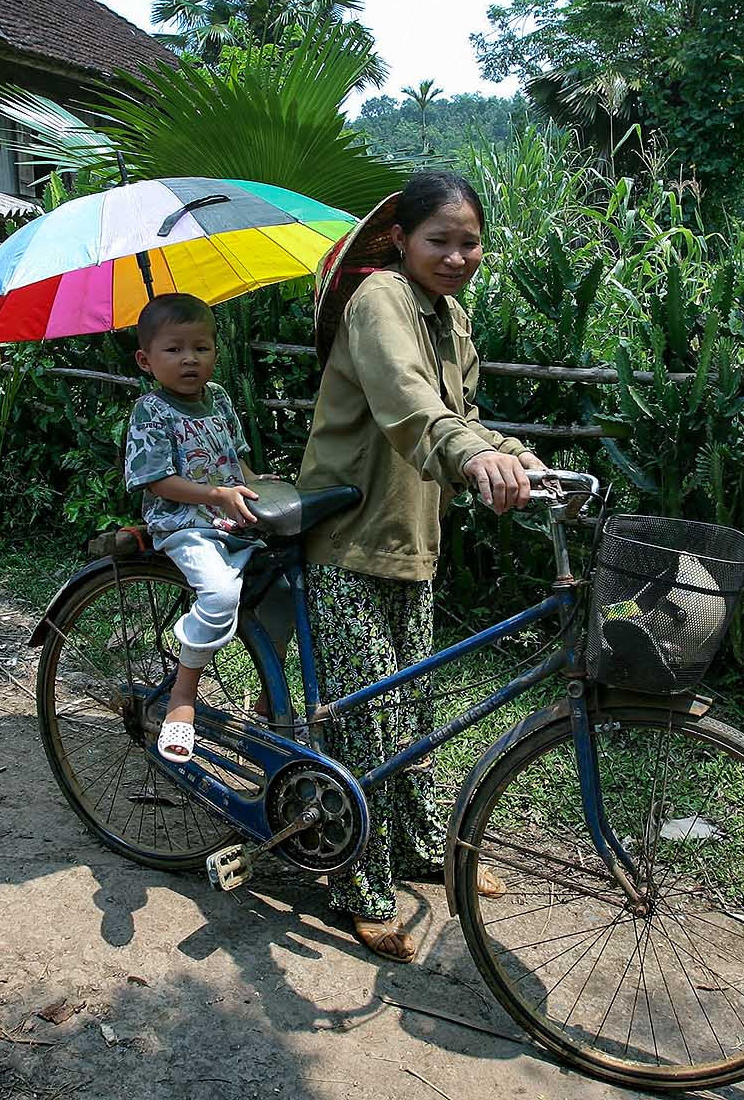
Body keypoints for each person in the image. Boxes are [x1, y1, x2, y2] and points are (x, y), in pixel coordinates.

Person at [296, 171, 547, 962]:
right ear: (400, 240)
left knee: (413, 710)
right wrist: (472, 455)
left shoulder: (452, 315)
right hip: (349, 533)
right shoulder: (378, 301)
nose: (457, 255)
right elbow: (407, 401)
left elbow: (460, 415)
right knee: (368, 721)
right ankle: (355, 884)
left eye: (469, 241)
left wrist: (512, 455)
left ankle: (416, 847)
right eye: (439, 239)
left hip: (414, 537)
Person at [123, 292, 266, 765]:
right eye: (174, 349)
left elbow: (235, 460)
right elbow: (156, 479)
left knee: (284, 590)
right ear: (146, 360)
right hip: (185, 525)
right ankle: (183, 698)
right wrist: (214, 495)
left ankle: (272, 696)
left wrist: (258, 486)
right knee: (221, 595)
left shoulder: (220, 398)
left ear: (215, 353)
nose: (189, 359)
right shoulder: (151, 410)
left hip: (233, 519)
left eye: (200, 348)